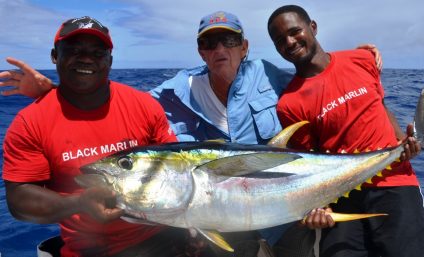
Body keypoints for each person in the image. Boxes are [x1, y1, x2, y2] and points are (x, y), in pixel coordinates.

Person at [1, 11, 382, 257]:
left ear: (244, 47)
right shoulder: (168, 94)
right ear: (200, 51)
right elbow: (92, 103)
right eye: (209, 43)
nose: (219, 49)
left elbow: (319, 79)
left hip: (284, 209)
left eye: (228, 40)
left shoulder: (273, 75)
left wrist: (356, 60)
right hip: (217, 219)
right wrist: (53, 92)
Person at [0, 16, 209, 257]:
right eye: (74, 50)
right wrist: (78, 203)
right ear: (55, 56)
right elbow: (18, 200)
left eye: (98, 52)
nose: (86, 58)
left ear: (110, 60)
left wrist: (188, 228)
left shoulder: (143, 105)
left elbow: (176, 172)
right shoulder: (30, 122)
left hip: (163, 237)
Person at [267, 5, 424, 257]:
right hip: (342, 195)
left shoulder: (362, 59)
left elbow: (381, 107)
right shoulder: (289, 103)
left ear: (313, 27)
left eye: (294, 31)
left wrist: (404, 142)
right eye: (280, 40)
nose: (289, 42)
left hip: (395, 183)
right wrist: (318, 209)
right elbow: (309, 164)